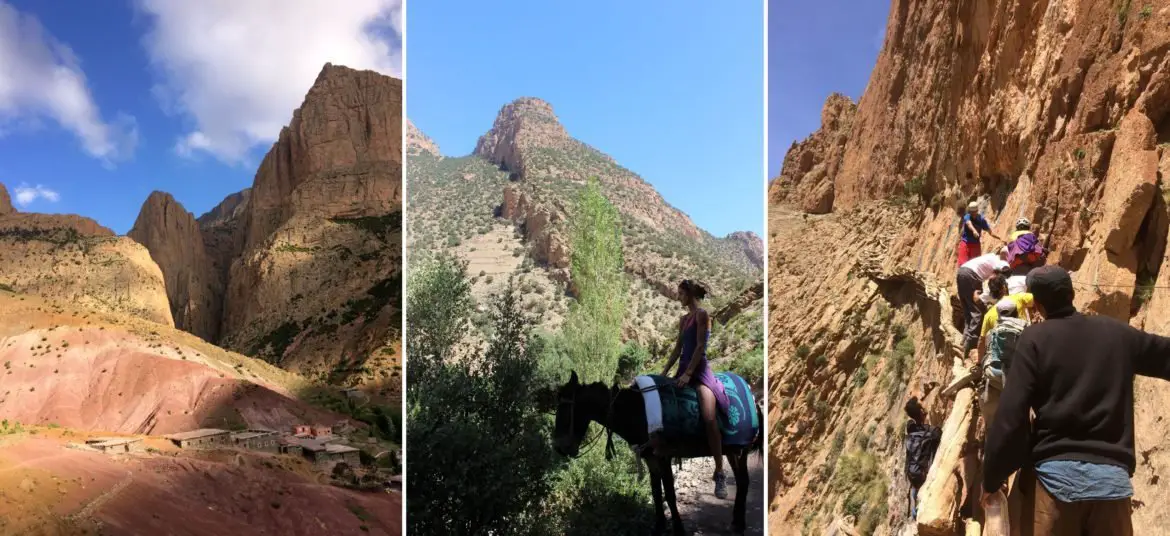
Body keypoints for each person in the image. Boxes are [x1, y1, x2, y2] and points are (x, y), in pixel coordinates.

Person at [983, 266, 1170, 535]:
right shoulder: (1117, 334)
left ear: (1036, 303)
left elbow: (1012, 416)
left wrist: (992, 477)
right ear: (1072, 293)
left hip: (1055, 484)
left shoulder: (1035, 340)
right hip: (1112, 487)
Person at [660, 279, 732, 499]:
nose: (678, 297)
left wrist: (689, 374)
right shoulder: (683, 320)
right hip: (682, 369)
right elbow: (677, 349)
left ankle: (719, 471)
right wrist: (664, 373)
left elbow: (700, 346)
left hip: (698, 370)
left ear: (690, 295)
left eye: (681, 294)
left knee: (709, 416)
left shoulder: (702, 315)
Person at [957, 249, 1011, 354]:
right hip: (972, 275)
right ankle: (970, 346)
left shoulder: (989, 258)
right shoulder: (1001, 263)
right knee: (977, 312)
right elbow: (995, 276)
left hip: (962, 272)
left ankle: (964, 341)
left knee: (968, 310)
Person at [904, 397, 941, 519]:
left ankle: (914, 510)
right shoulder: (933, 432)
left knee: (915, 488)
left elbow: (912, 421)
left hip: (912, 473)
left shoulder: (910, 431)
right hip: (925, 475)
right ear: (922, 413)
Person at [957, 201, 1002, 266]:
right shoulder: (967, 216)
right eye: (971, 212)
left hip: (976, 245)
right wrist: (974, 231)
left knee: (976, 265)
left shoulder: (981, 220)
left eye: (974, 212)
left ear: (977, 211)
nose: (973, 214)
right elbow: (969, 224)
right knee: (963, 265)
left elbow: (990, 232)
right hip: (965, 243)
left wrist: (999, 237)